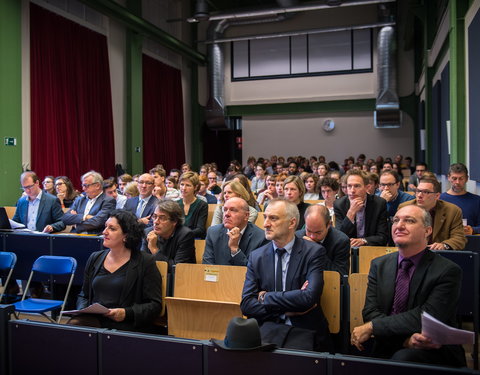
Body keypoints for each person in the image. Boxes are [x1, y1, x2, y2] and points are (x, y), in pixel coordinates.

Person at [351, 205, 466, 367]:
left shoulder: (447, 271)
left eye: (409, 221)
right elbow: (370, 311)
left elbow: (426, 317)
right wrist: (404, 340)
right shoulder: (379, 265)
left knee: (403, 358)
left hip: (432, 347)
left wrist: (373, 326)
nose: (399, 226)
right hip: (388, 342)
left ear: (427, 231)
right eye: (396, 220)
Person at [240, 199, 330, 352]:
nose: (266, 224)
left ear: (291, 223)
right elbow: (247, 305)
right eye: (266, 217)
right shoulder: (257, 256)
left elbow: (308, 298)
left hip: (304, 331)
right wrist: (287, 308)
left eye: (273, 218)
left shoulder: (313, 252)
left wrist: (265, 297)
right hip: (266, 331)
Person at [70, 210, 162, 332]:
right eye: (105, 227)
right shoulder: (95, 258)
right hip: (95, 320)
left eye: (112, 229)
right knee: (72, 328)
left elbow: (155, 305)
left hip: (127, 323)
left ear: (126, 235)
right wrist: (83, 311)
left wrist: (126, 313)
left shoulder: (145, 261)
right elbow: (84, 295)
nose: (104, 232)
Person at [399, 177, 466, 250]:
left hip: (438, 255)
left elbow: (459, 238)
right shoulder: (404, 208)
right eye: (418, 191)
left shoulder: (452, 211)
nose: (419, 195)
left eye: (426, 192)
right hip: (411, 251)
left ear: (437, 196)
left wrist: (444, 245)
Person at [203, 197, 267, 266]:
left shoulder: (261, 237)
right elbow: (207, 266)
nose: (227, 214)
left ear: (246, 215)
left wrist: (235, 249)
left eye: (233, 210)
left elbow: (254, 271)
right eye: (225, 210)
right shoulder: (213, 232)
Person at [334, 170, 389, 246]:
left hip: (370, 248)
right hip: (348, 250)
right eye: (349, 186)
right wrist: (351, 213)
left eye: (357, 186)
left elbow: (383, 237)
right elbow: (338, 237)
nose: (352, 190)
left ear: (367, 187)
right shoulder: (339, 204)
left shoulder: (379, 204)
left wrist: (364, 241)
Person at [141, 200, 195, 270]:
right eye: (155, 216)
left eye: (162, 218)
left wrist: (154, 249)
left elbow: (177, 268)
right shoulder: (148, 233)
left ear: (174, 221)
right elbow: (142, 263)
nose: (156, 222)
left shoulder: (185, 235)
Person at [296, 205, 350, 275]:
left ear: (329, 225)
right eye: (309, 231)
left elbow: (341, 275)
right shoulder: (297, 237)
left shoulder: (341, 241)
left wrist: (317, 251)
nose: (312, 236)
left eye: (318, 232)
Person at [440, 163, 480, 235]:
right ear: (449, 177)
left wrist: (473, 230)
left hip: (470, 242)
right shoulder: (440, 199)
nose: (457, 182)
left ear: (467, 179)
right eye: (454, 178)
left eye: (461, 178)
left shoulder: (476, 201)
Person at [176, 171, 208, 239]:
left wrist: (184, 235)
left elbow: (200, 229)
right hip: (177, 240)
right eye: (182, 184)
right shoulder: (175, 204)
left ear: (195, 187)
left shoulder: (202, 205)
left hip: (195, 239)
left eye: (188, 185)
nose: (184, 188)